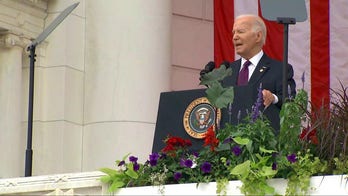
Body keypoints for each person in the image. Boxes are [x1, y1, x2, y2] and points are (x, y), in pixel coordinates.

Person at [201, 14, 296, 133]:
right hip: (227, 144)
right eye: (233, 33)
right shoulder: (226, 71)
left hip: (263, 142)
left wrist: (274, 98)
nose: (235, 37)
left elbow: (291, 104)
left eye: (240, 31)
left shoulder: (280, 69)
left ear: (258, 36)